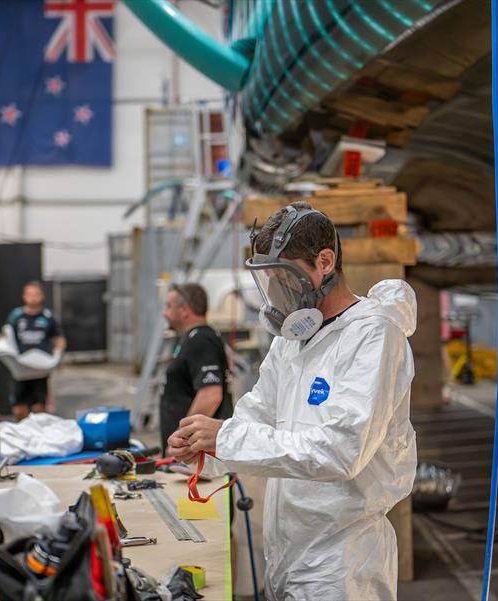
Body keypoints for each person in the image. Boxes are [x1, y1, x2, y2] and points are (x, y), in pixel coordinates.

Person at [168, 202, 418, 600]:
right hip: (288, 547)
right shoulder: (293, 340)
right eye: (268, 283)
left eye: (284, 278)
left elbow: (342, 450)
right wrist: (205, 449)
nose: (277, 295)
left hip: (342, 561)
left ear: (325, 261)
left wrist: (226, 438)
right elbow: (258, 415)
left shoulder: (373, 335)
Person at [159, 283, 232, 454]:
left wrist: (180, 442)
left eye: (169, 307)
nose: (165, 313)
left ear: (184, 310)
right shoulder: (192, 338)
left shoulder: (201, 339)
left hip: (196, 456)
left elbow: (210, 395)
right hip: (189, 455)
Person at [5, 281, 66, 420]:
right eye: (29, 294)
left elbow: (59, 339)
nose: (33, 297)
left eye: (36, 294)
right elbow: (6, 336)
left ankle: (38, 435)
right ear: (24, 296)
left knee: (39, 408)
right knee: (19, 409)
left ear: (42, 296)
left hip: (40, 370)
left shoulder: (48, 317)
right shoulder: (16, 316)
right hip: (20, 370)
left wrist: (56, 357)